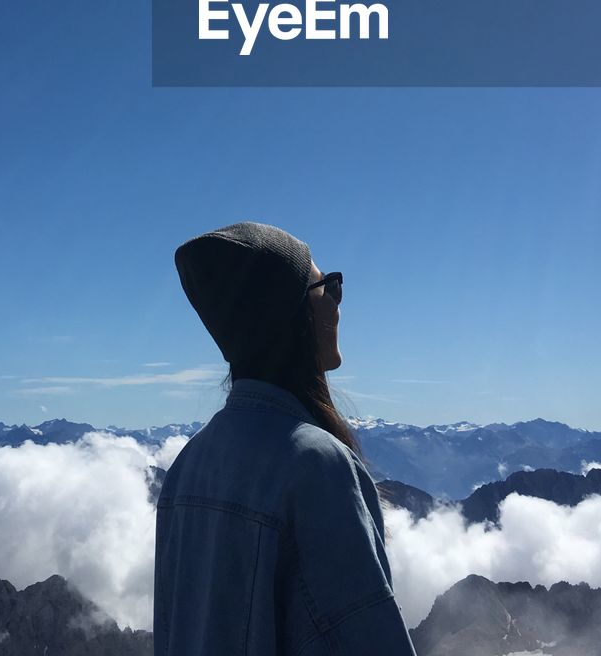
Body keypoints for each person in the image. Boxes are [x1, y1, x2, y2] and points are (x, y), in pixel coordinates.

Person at [152, 220, 418, 655]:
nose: (337, 303)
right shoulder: (318, 467)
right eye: (327, 288)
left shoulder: (187, 466)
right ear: (291, 314)